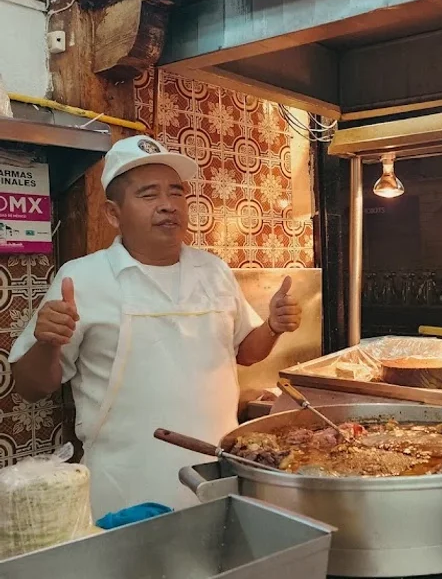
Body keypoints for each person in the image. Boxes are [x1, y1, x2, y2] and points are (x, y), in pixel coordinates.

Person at [9, 136, 302, 518]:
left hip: (215, 479)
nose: (168, 205)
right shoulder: (82, 279)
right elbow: (32, 388)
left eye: (176, 192)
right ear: (114, 214)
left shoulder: (212, 270)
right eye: (149, 195)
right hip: (124, 489)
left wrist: (273, 327)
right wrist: (48, 343)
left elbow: (244, 351)